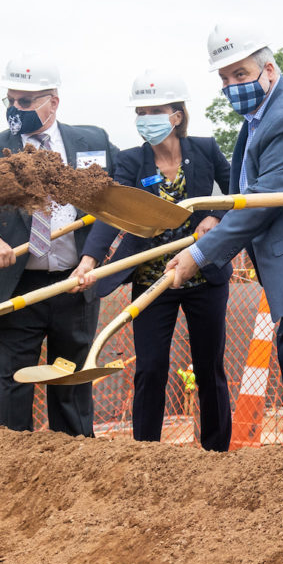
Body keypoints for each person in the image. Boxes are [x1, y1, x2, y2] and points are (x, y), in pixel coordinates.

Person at [164, 25, 283, 440]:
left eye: (240, 74)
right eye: (224, 78)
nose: (232, 85)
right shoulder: (264, 113)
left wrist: (198, 256)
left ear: (268, 69)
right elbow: (250, 190)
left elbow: (265, 201)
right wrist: (217, 217)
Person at [72, 70, 231, 450]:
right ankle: (145, 451)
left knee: (209, 368)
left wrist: (217, 217)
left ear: (177, 115)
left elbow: (237, 190)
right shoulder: (131, 161)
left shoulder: (206, 150)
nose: (147, 119)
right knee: (150, 368)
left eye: (155, 110)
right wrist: (90, 259)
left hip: (202, 277)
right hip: (152, 281)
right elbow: (111, 212)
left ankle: (216, 452)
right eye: (141, 111)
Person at [0, 57, 117, 437]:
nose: (16, 109)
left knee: (70, 382)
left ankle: (76, 463)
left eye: (26, 102)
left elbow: (113, 201)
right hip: (16, 286)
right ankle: (10, 468)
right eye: (11, 101)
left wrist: (93, 256)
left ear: (54, 102)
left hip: (74, 283)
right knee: (14, 384)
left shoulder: (91, 142)